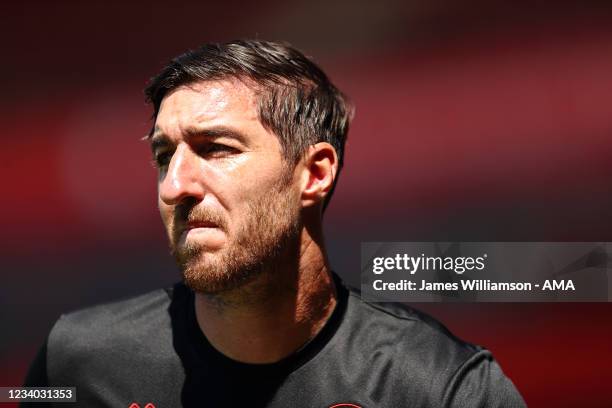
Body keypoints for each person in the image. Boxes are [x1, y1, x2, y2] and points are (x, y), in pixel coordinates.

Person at [23, 39, 525, 407]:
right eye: (163, 156)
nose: (175, 185)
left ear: (314, 173)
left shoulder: (444, 388)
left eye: (216, 148)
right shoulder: (72, 362)